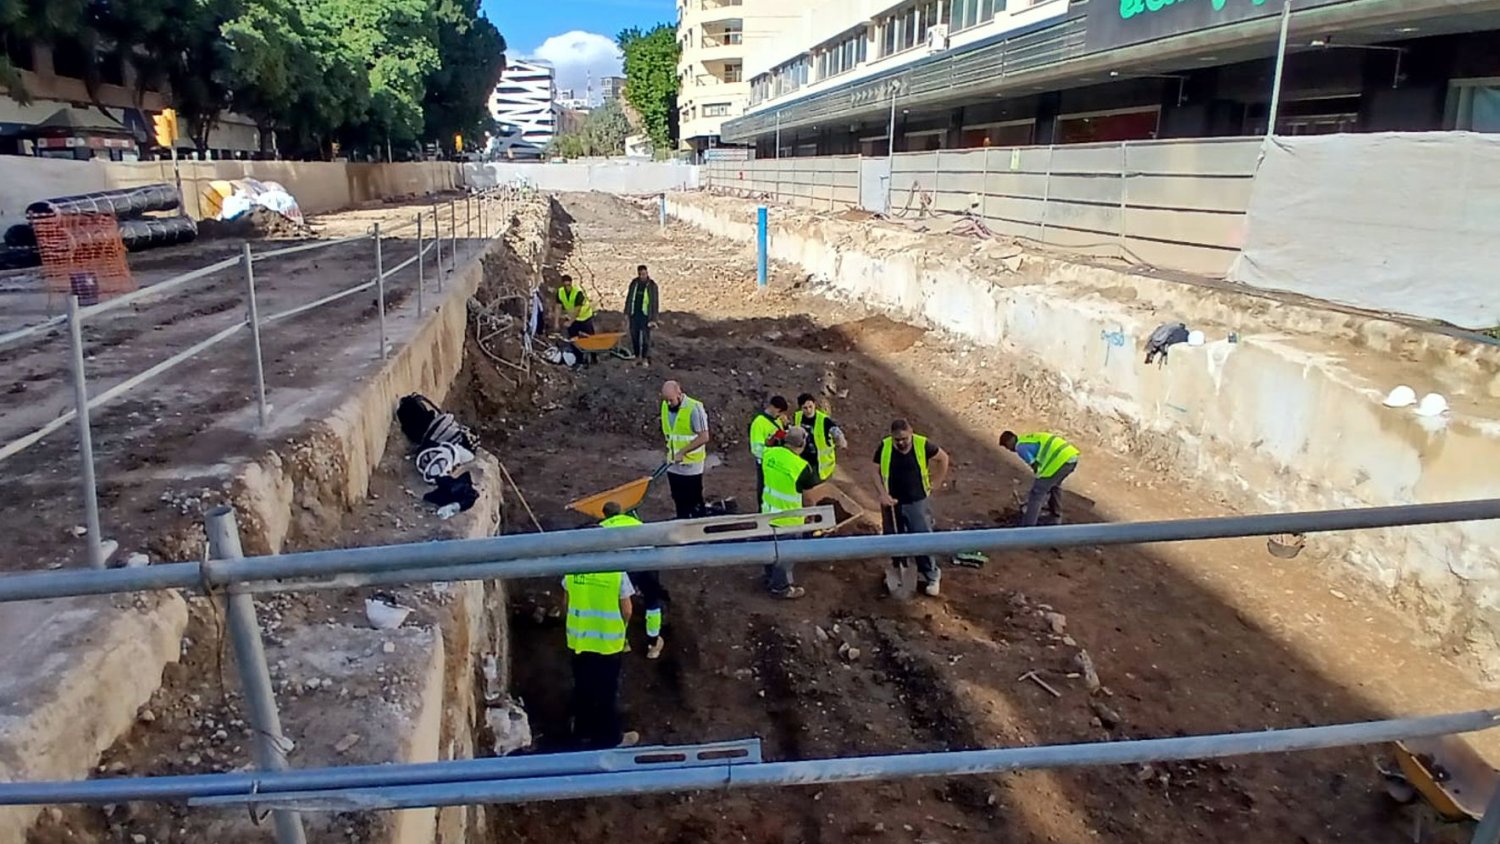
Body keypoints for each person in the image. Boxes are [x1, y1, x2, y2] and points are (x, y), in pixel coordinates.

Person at [563, 501, 640, 749]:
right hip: (608, 643)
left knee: (583, 686)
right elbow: (627, 609)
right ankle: (609, 738)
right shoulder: (615, 571)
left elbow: (566, 602)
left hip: (579, 640)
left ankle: (581, 731)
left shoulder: (572, 568)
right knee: (606, 692)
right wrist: (623, 629)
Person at [872, 419, 950, 597]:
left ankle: (931, 574)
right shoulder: (884, 446)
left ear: (911, 433)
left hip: (917, 501)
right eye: (897, 440)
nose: (901, 443)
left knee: (921, 537)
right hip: (892, 502)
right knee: (893, 538)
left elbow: (943, 458)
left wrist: (936, 482)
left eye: (904, 439)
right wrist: (882, 493)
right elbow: (874, 470)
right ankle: (898, 569)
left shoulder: (923, 444)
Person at [599, 503, 669, 660]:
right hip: (647, 562)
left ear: (605, 514)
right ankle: (653, 643)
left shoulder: (602, 527)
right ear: (622, 511)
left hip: (624, 567)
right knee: (652, 601)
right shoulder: (637, 522)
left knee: (620, 604)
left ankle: (623, 641)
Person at [760, 427, 820, 599]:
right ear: (802, 444)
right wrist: (811, 516)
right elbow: (808, 499)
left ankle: (769, 578)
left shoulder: (769, 454)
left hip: (767, 513)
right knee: (785, 556)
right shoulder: (801, 467)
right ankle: (781, 588)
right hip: (789, 520)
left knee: (769, 549)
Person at [999, 431, 1080, 527]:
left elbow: (1035, 465)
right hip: (1071, 457)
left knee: (1037, 493)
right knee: (1054, 485)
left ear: (1009, 442)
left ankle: (1028, 527)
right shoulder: (1027, 438)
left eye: (1006, 447)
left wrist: (1039, 479)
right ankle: (1055, 516)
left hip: (1059, 460)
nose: (1009, 450)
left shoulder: (1020, 447)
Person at [660, 380, 710, 519]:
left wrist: (682, 452)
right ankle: (682, 520)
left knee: (693, 499)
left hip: (691, 465)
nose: (668, 403)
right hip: (673, 463)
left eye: (671, 400)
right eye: (666, 400)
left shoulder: (694, 408)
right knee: (678, 497)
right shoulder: (665, 406)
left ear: (679, 394)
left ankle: (697, 523)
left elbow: (704, 436)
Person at [794, 393, 848, 483]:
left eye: (810, 406)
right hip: (803, 457)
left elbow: (835, 430)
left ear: (815, 404)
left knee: (812, 483)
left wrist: (841, 440)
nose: (809, 410)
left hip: (819, 463)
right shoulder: (798, 416)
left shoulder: (823, 420)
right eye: (805, 408)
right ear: (801, 408)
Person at [749, 395, 790, 503]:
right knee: (765, 489)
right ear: (773, 407)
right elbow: (756, 449)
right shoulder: (758, 423)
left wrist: (786, 426)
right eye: (779, 412)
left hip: (778, 461)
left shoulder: (778, 420)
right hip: (765, 463)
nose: (779, 415)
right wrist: (772, 448)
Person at [624, 265, 660, 365]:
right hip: (634, 314)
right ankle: (637, 357)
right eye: (640, 274)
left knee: (645, 338)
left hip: (646, 316)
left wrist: (654, 318)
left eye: (644, 274)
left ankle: (644, 358)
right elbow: (629, 298)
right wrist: (627, 312)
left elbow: (654, 303)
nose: (642, 276)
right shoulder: (634, 283)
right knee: (634, 337)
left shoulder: (652, 286)